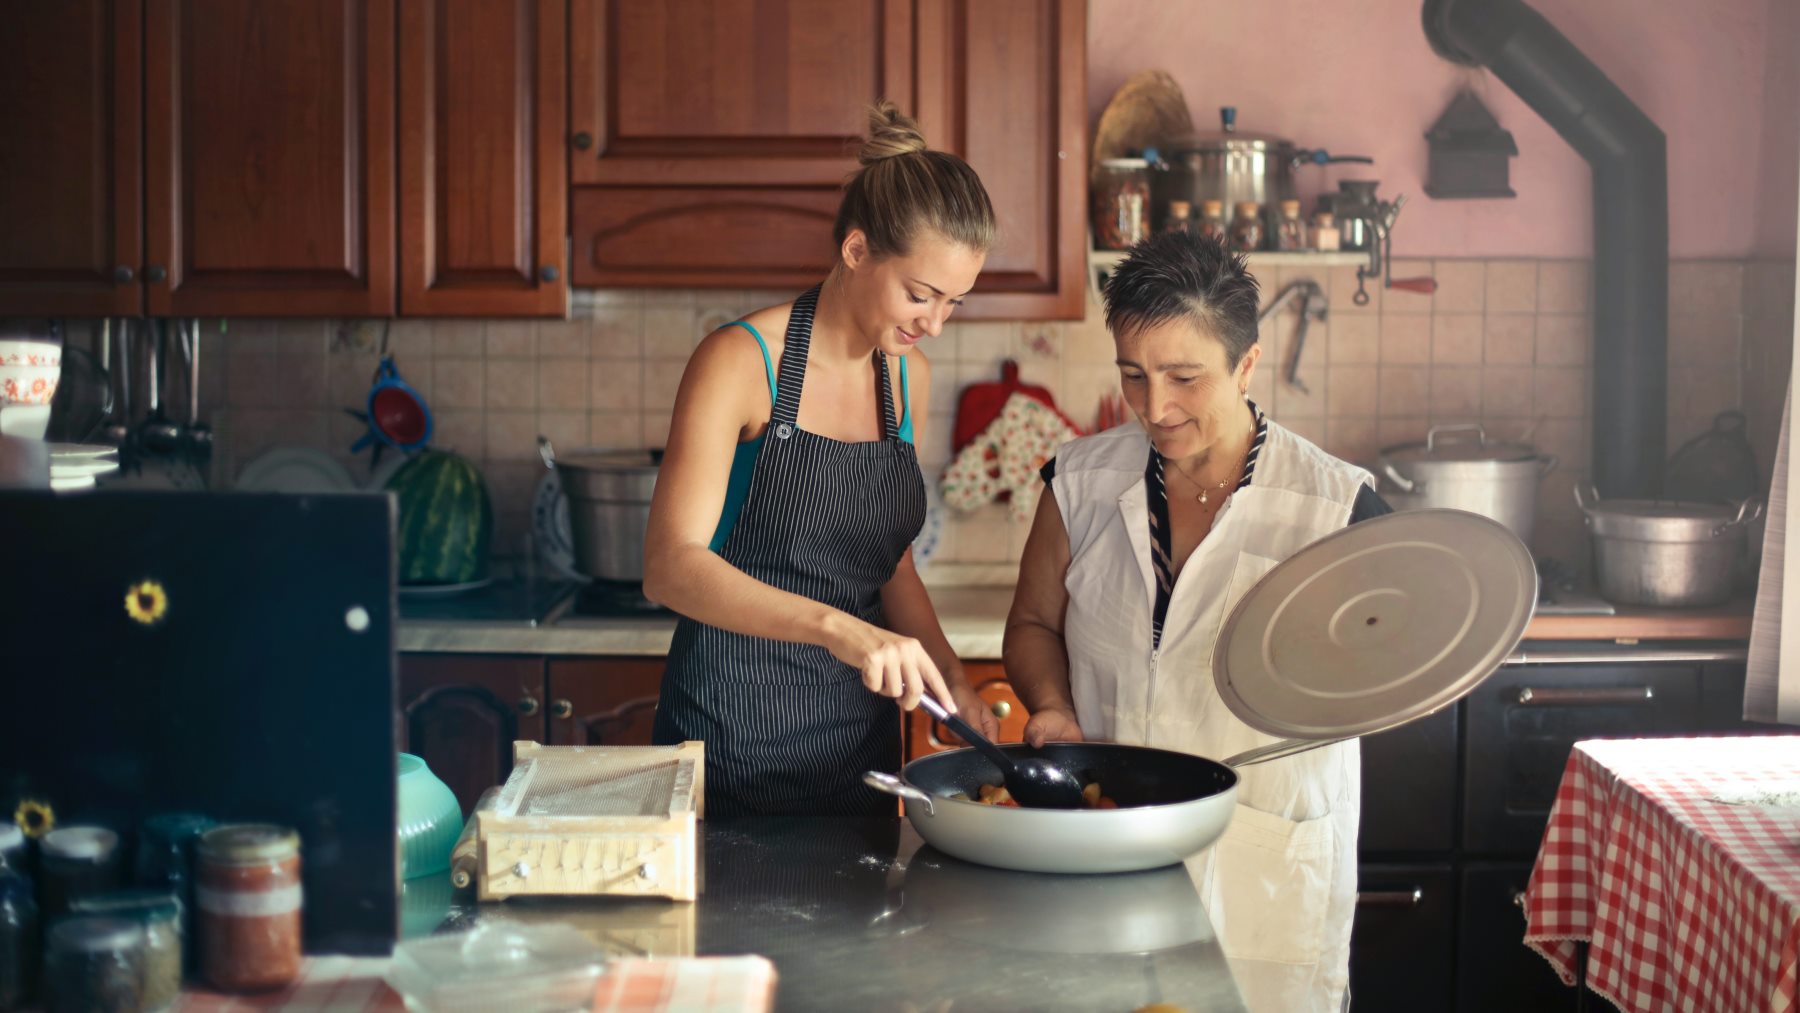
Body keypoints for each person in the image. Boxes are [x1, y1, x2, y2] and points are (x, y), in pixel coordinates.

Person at [1003, 231, 1391, 1012]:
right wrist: (1051, 704)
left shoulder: (1336, 508)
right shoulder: (1077, 482)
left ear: (1247, 365)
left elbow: (1388, 674)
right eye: (1133, 375)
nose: (1155, 407)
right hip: (1109, 850)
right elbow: (1034, 623)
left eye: (1184, 377)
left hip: (1264, 864)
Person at [642, 102, 1001, 817]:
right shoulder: (740, 361)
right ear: (857, 250)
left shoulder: (908, 376)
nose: (934, 323)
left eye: (954, 303)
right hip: (729, 740)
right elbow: (670, 567)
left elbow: (891, 567)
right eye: (920, 295)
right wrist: (839, 629)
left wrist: (954, 680)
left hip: (859, 753)